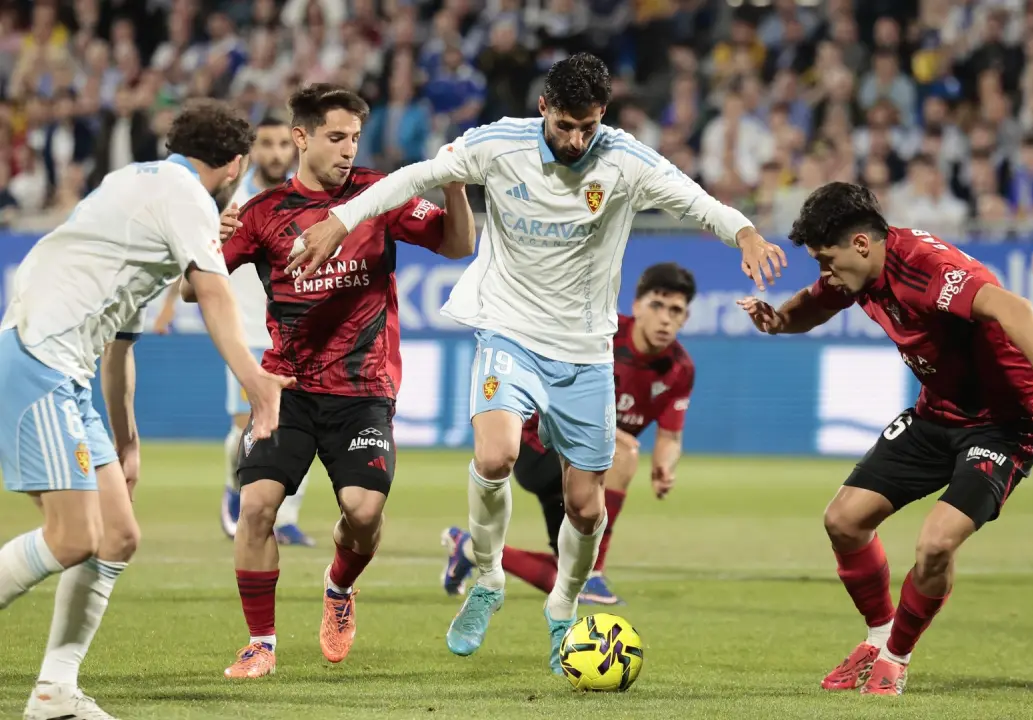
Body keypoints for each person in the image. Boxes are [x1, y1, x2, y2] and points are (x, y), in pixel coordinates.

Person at [286, 53, 785, 673]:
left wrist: (744, 233)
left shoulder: (624, 159)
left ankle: (562, 608)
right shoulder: (499, 144)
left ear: (603, 116)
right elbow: (413, 177)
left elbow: (694, 200)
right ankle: (488, 578)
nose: (576, 140)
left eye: (588, 127)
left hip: (584, 350)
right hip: (509, 331)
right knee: (496, 455)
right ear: (544, 107)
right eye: (565, 125)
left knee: (586, 506)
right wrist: (340, 220)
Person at [0, 99, 292, 720]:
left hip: (68, 372)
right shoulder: (185, 198)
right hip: (38, 358)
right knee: (71, 537)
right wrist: (255, 380)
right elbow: (212, 293)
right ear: (236, 165)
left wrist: (126, 440)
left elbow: (119, 346)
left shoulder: (137, 188)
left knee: (118, 536)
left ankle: (54, 692)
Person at [738, 182, 1033, 696]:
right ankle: (879, 636)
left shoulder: (927, 269)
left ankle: (896, 656)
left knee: (936, 544)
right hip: (937, 414)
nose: (824, 272)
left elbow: (1015, 309)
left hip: (1005, 424)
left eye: (826, 260)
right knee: (843, 520)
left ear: (861, 244)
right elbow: (816, 303)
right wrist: (779, 321)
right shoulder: (857, 269)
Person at [180, 84, 476, 680]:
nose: (348, 150)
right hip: (285, 387)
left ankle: (339, 587)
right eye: (336, 137)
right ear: (302, 137)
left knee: (362, 513)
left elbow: (458, 243)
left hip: (362, 389)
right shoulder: (262, 212)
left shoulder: (378, 194)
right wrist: (212, 235)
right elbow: (192, 288)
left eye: (355, 139)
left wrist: (453, 184)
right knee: (256, 506)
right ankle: (260, 643)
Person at [441, 262, 697, 606]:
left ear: (685, 318)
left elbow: (670, 436)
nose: (665, 319)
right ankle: (595, 573)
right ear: (637, 306)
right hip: (538, 444)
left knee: (567, 575)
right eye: (657, 306)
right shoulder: (600, 336)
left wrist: (665, 466)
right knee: (622, 452)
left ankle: (469, 549)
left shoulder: (680, 368)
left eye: (675, 311)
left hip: (587, 466)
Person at [154, 116, 315, 546]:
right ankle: (235, 487)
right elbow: (194, 252)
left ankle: (286, 519)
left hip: (295, 333)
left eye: (283, 143)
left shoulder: (304, 197)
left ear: (295, 146)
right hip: (245, 331)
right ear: (251, 151)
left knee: (301, 429)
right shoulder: (229, 199)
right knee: (247, 425)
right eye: (267, 144)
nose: (276, 152)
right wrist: (169, 305)